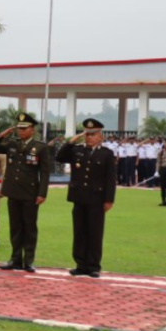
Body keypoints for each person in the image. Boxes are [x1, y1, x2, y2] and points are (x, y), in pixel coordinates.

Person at [0, 113, 51, 273]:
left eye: (24, 129)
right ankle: (15, 259)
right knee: (15, 227)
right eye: (19, 129)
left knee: (29, 228)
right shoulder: (12, 144)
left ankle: (29, 260)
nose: (21, 132)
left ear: (32, 129)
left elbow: (44, 172)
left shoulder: (40, 147)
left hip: (30, 193)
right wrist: (0, 136)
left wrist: (42, 193)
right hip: (13, 191)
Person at [55, 119, 116, 278]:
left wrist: (109, 200)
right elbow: (59, 157)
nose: (89, 137)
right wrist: (72, 141)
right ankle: (80, 264)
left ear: (100, 136)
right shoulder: (77, 150)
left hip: (97, 199)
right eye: (87, 134)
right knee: (79, 232)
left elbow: (110, 179)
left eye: (92, 134)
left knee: (95, 233)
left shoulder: (106, 154)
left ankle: (94, 266)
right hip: (79, 198)